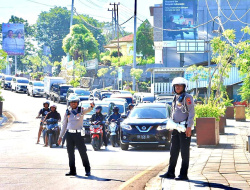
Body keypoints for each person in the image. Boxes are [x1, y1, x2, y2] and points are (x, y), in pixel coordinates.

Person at [160, 77, 195, 181]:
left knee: (184, 152)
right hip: (175, 127)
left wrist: (189, 126)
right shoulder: (175, 97)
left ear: (184, 86)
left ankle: (183, 174)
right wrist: (171, 125)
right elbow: (173, 112)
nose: (178, 87)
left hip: (184, 128)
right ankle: (170, 172)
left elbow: (191, 112)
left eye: (180, 85)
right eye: (176, 85)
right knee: (173, 151)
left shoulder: (187, 97)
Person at [57, 95, 95, 176]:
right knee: (70, 153)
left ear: (77, 103)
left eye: (75, 102)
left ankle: (87, 170)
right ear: (69, 103)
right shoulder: (67, 111)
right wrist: (60, 136)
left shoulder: (81, 110)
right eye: (71, 102)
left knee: (82, 152)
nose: (73, 104)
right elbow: (64, 124)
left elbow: (88, 110)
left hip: (78, 134)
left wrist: (91, 106)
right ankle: (72, 170)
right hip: (69, 134)